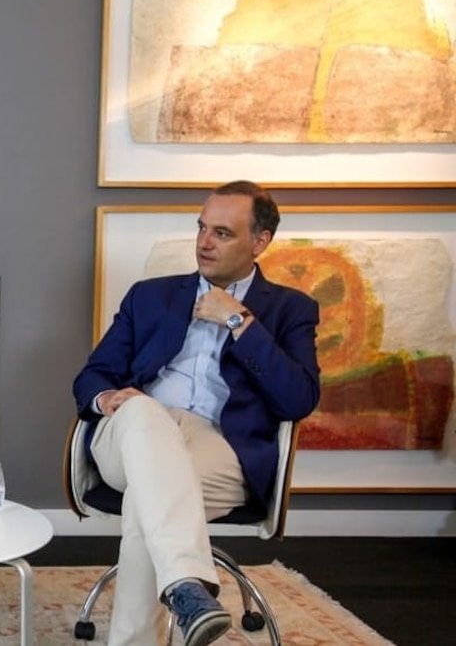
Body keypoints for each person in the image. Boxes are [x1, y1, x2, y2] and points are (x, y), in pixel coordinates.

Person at [72, 180, 320, 646]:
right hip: (131, 432)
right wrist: (108, 400)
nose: (205, 242)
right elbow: (93, 375)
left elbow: (298, 399)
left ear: (260, 241)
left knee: (147, 503)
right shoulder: (150, 296)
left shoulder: (291, 309)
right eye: (202, 228)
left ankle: (180, 591)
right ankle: (188, 582)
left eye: (222, 233)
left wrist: (239, 320)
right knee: (144, 413)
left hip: (219, 445)